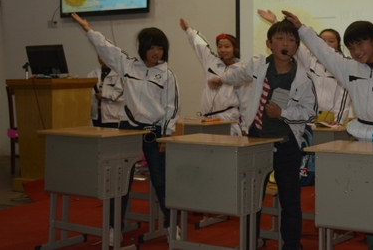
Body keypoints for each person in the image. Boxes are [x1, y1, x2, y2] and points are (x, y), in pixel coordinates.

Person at [282, 10, 373, 250]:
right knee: (367, 201)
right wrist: (300, 28)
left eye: (361, 43)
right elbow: (322, 51)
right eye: (351, 47)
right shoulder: (349, 68)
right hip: (361, 143)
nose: (356, 51)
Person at [71, 13, 180, 245]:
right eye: (152, 48)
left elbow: (172, 107)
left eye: (160, 48)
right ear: (142, 48)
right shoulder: (128, 66)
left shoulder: (167, 75)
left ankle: (172, 226)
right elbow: (107, 48)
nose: (156, 52)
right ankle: (114, 228)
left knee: (161, 181)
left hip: (154, 134)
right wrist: (88, 29)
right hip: (127, 130)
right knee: (120, 182)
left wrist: (167, 135)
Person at [208, 19, 317, 250]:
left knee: (290, 200)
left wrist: (282, 113)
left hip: (287, 144)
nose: (285, 44)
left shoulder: (303, 77)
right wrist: (221, 79)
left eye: (291, 40)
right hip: (257, 141)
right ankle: (250, 242)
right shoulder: (259, 65)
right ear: (269, 43)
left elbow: (309, 112)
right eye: (280, 39)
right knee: (252, 199)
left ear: (297, 46)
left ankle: (292, 246)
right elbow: (238, 75)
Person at [258, 10, 351, 125]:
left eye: (331, 41)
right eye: (322, 41)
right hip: (307, 116)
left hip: (331, 119)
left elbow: (344, 96)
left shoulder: (343, 65)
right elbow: (291, 45)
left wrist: (338, 121)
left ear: (338, 44)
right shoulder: (309, 59)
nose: (326, 44)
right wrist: (275, 22)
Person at [180, 18, 249, 135]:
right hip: (206, 121)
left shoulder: (241, 70)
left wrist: (245, 127)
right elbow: (201, 46)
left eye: (227, 46)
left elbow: (245, 101)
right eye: (220, 47)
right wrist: (189, 30)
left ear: (235, 49)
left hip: (228, 122)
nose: (222, 50)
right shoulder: (211, 62)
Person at [88, 55, 125, 128]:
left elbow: (121, 95)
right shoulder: (94, 73)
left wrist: (103, 95)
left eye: (102, 56)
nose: (100, 59)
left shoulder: (118, 73)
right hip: (97, 116)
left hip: (112, 116)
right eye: (99, 56)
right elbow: (88, 90)